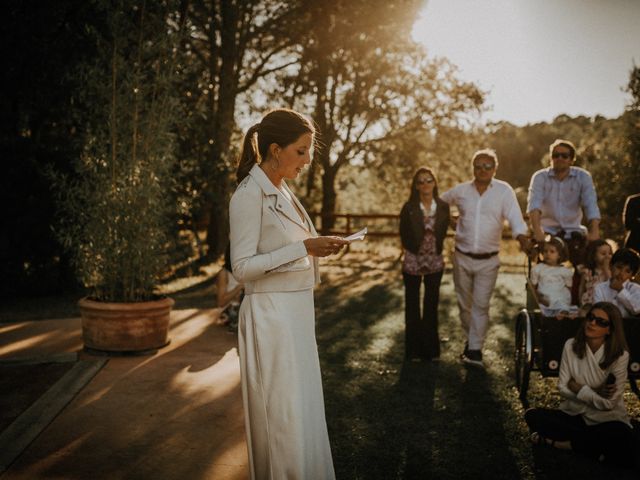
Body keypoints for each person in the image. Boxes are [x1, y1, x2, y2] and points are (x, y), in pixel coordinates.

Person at [229, 108, 348, 479]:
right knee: (282, 418)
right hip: (271, 318)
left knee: (302, 411)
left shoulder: (282, 189)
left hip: (295, 314)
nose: (308, 160)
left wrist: (318, 246)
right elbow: (242, 268)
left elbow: (294, 244)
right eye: (301, 151)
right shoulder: (248, 194)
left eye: (310, 150)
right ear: (276, 149)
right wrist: (304, 249)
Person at [440, 149, 529, 367]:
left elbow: (516, 219)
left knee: (481, 305)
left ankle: (475, 350)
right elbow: (439, 203)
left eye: (487, 166)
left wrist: (523, 238)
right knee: (464, 306)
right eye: (478, 166)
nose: (482, 170)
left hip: (489, 260)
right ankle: (471, 342)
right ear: (473, 169)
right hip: (462, 256)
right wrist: (448, 219)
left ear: (494, 169)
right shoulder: (461, 191)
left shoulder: (503, 191)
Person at [524, 302, 634, 468]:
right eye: (591, 317)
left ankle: (562, 444)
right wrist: (596, 391)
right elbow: (562, 388)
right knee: (532, 415)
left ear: (610, 330)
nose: (592, 323)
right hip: (573, 415)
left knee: (621, 433)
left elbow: (609, 404)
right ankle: (596, 449)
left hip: (606, 420)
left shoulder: (620, 355)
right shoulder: (570, 345)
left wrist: (579, 388)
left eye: (601, 322)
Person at [399, 167, 450, 361]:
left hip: (435, 260)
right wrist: (415, 250)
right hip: (413, 259)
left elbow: (446, 229)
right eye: (420, 181)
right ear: (416, 186)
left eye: (428, 180)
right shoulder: (409, 207)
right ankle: (412, 351)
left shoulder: (443, 206)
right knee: (412, 306)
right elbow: (403, 233)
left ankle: (430, 351)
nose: (425, 184)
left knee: (431, 305)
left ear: (434, 183)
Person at [527, 139, 601, 266]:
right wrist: (538, 233)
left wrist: (594, 231)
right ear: (551, 158)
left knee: (584, 269)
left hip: (574, 232)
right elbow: (534, 206)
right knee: (543, 274)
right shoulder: (539, 177)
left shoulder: (583, 177)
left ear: (572, 159)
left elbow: (590, 204)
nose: (559, 158)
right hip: (547, 233)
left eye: (564, 156)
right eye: (555, 155)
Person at [530, 236, 573, 312]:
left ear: (559, 255)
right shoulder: (538, 269)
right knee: (542, 307)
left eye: (552, 252)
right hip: (544, 299)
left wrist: (566, 299)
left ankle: (560, 311)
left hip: (560, 298)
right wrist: (538, 298)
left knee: (561, 304)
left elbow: (569, 288)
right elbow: (532, 287)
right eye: (545, 251)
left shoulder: (565, 271)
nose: (548, 254)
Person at [593, 248, 640, 317]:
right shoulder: (600, 288)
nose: (621, 273)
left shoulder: (635, 288)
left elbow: (637, 309)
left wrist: (621, 290)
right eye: (619, 267)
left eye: (627, 271)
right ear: (611, 266)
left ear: (632, 275)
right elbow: (598, 311)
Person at [216, 245, 244, 331]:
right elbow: (221, 302)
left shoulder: (246, 270)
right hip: (229, 310)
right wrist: (238, 288)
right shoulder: (224, 273)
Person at [578, 239, 612, 307]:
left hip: (604, 301)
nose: (607, 256)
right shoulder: (588, 271)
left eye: (610, 253)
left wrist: (606, 269)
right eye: (603, 254)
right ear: (594, 256)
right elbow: (581, 287)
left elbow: (611, 282)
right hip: (589, 302)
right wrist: (579, 301)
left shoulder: (611, 271)